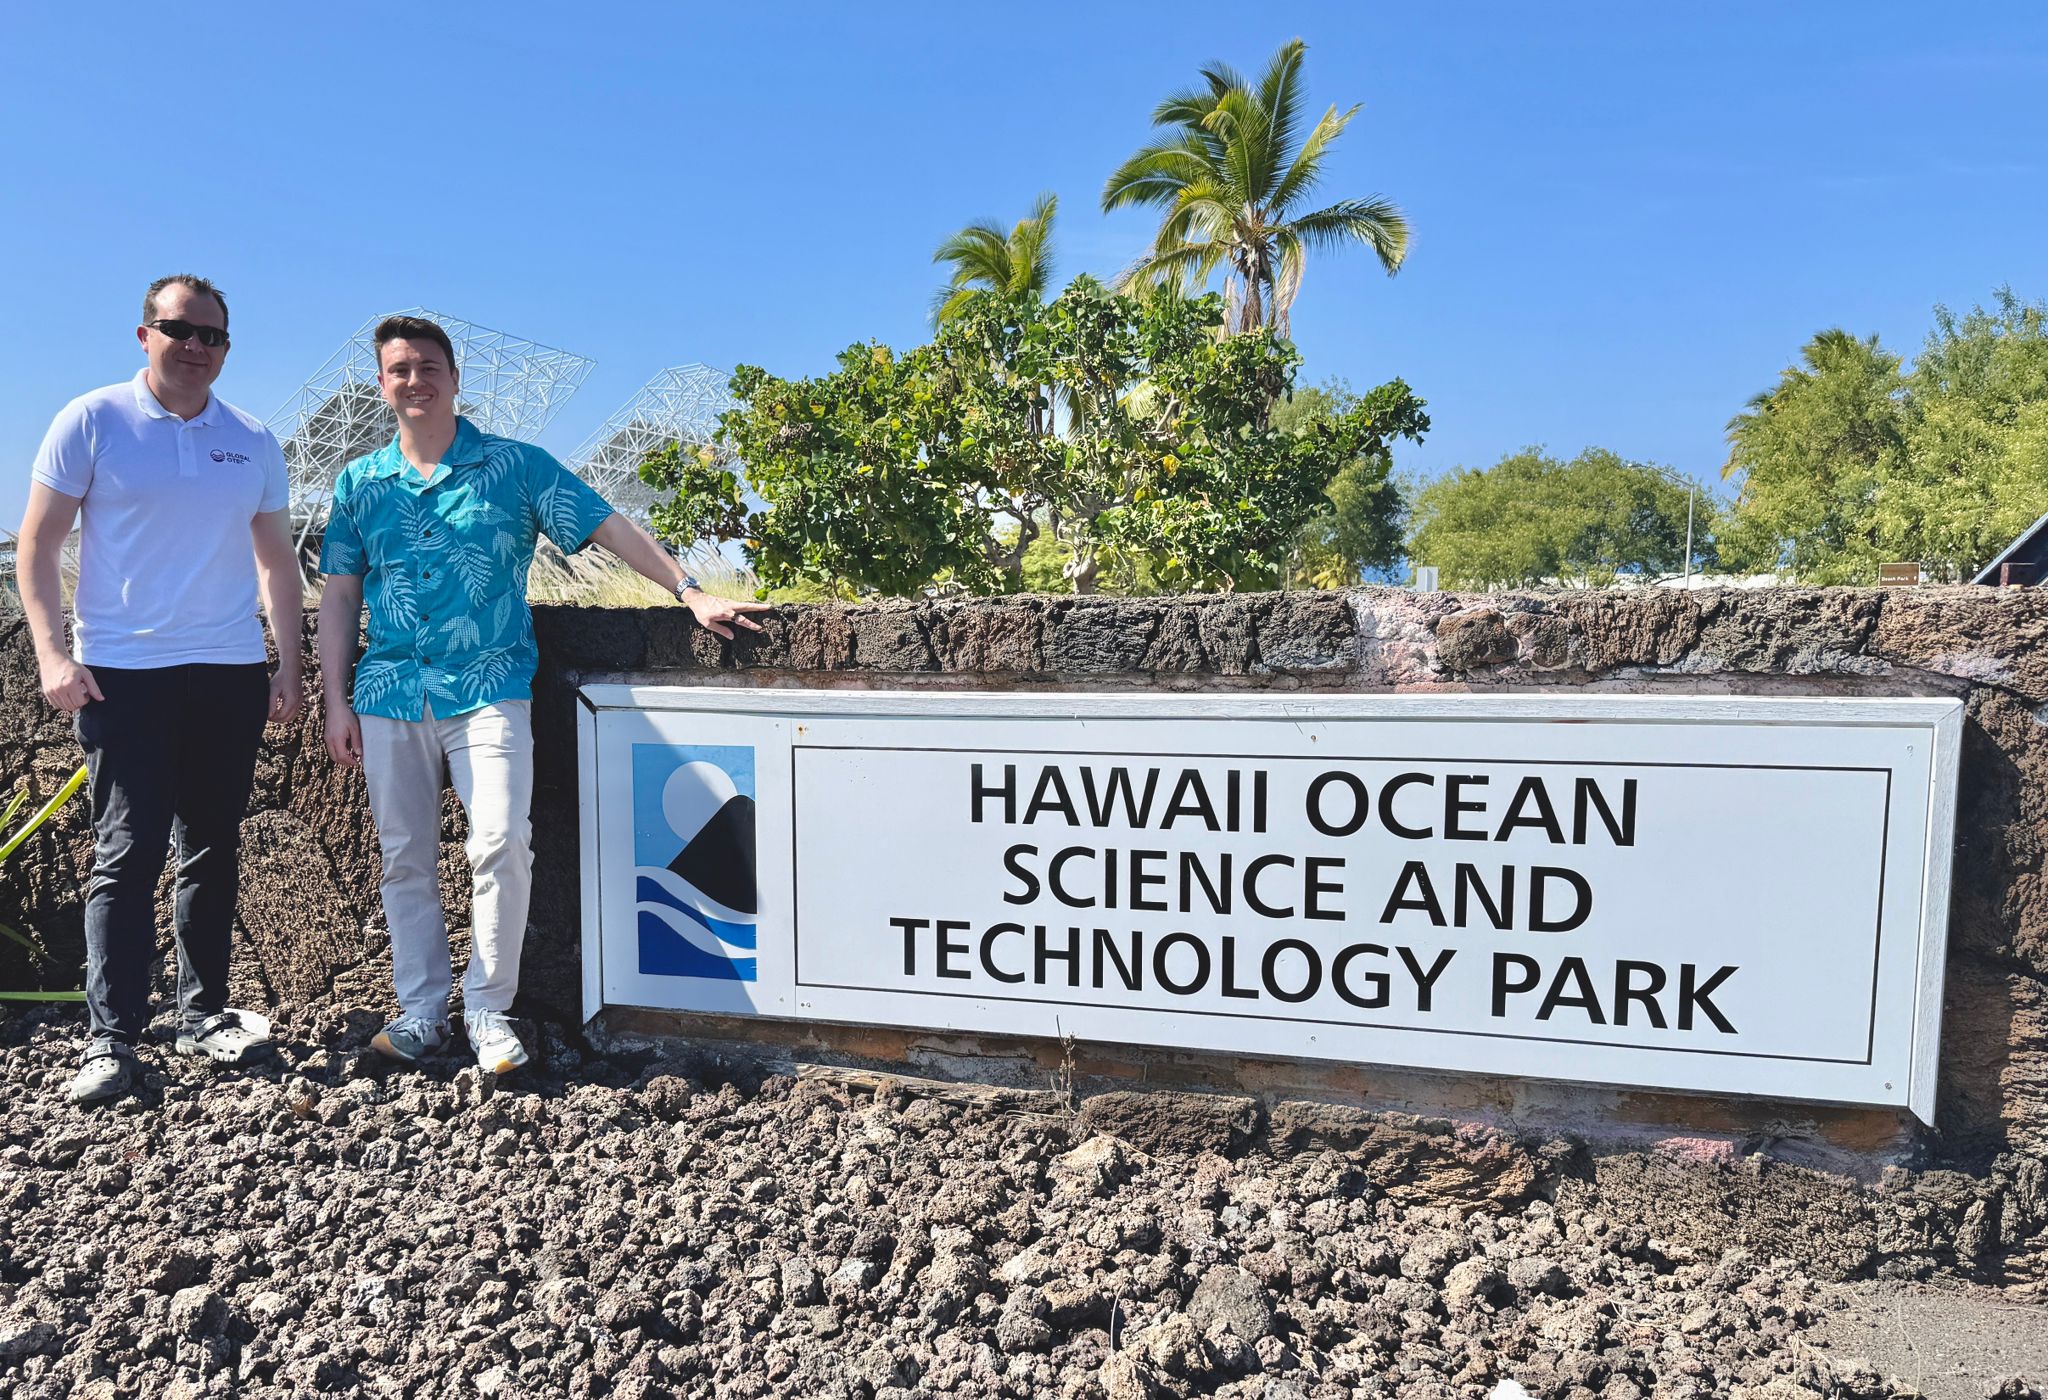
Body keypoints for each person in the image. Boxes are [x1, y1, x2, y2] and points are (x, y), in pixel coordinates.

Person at [318, 315, 768, 1074]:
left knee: (501, 842)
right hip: (390, 692)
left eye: (428, 367)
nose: (415, 380)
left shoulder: (515, 467)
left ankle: (488, 1009)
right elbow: (339, 593)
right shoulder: (361, 483)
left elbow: (605, 526)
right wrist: (335, 698)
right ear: (383, 385)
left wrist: (689, 590)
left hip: (489, 687)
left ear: (454, 378)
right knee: (403, 860)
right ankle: (422, 1013)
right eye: (399, 370)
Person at [19, 274, 306, 1105]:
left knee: (213, 847)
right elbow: (38, 544)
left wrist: (287, 665)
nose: (195, 347)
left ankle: (203, 1016)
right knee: (128, 852)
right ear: (144, 334)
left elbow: (276, 561)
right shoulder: (92, 420)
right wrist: (53, 656)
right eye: (180, 330)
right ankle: (111, 1040)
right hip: (124, 675)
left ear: (227, 348)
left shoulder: (252, 439)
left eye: (212, 336)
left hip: (228, 672)